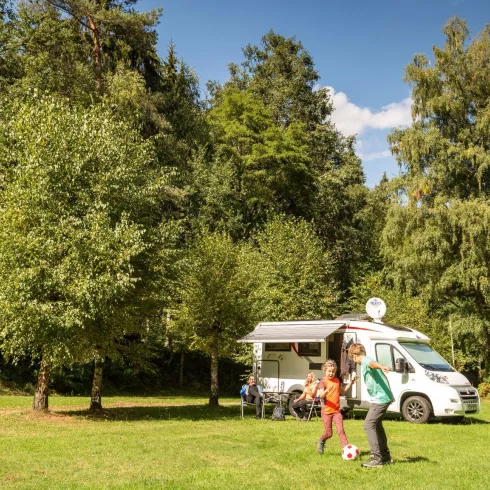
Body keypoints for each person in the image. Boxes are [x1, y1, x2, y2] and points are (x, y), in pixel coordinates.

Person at [348, 343, 394, 468]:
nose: (353, 361)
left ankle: (376, 458)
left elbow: (372, 364)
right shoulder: (366, 360)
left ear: (354, 355)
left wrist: (381, 366)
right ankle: (385, 456)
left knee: (368, 424)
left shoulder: (365, 360)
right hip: (382, 398)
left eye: (352, 358)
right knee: (377, 425)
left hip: (381, 399)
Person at [316, 360, 357, 454]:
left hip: (336, 412)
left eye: (333, 371)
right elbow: (321, 395)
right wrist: (326, 391)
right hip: (326, 412)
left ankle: (347, 450)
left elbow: (343, 391)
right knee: (329, 433)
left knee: (341, 430)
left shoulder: (337, 381)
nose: (331, 373)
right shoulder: (323, 382)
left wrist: (351, 382)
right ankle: (321, 441)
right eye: (329, 371)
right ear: (324, 371)